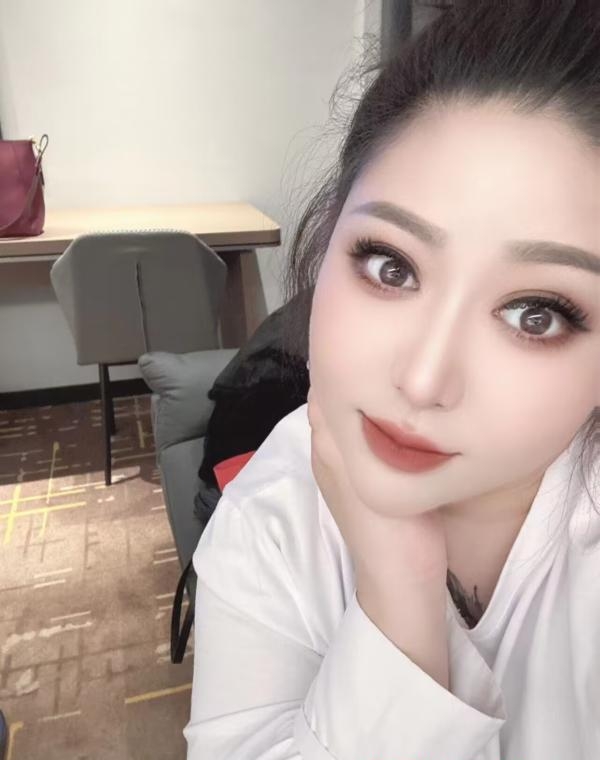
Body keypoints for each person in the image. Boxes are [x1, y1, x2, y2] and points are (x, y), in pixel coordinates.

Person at [184, 1, 600, 758]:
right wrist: (398, 604)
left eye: (536, 315)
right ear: (327, 237)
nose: (422, 378)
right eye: (391, 266)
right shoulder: (270, 521)